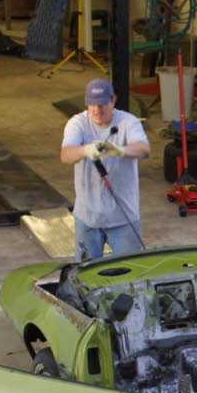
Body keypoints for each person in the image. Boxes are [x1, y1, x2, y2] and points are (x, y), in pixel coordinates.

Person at [61, 78, 152, 260]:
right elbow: (66, 155)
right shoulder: (78, 123)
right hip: (87, 217)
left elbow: (144, 149)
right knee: (85, 271)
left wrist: (119, 150)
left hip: (123, 218)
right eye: (92, 105)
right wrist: (85, 150)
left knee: (130, 270)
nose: (97, 110)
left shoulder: (128, 122)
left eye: (102, 104)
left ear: (113, 100)